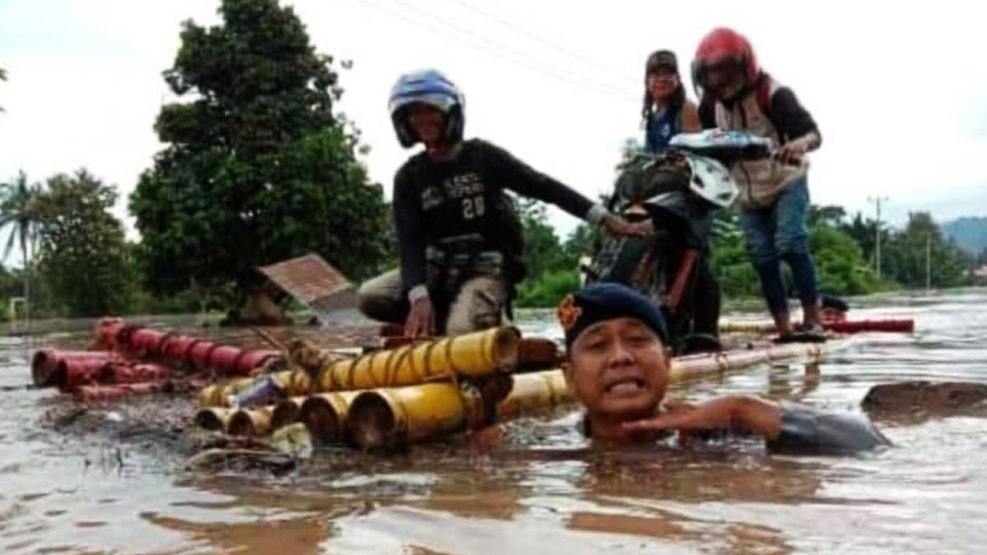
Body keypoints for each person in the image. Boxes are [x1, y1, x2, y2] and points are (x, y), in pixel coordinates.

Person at [358, 69, 641, 337]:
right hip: (437, 268)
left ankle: (486, 318)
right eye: (414, 113)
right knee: (370, 296)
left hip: (485, 267)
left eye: (430, 109)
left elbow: (544, 186)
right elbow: (410, 244)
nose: (422, 119)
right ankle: (438, 314)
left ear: (450, 113)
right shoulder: (408, 177)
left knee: (460, 334)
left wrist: (605, 218)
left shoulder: (482, 157)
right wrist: (418, 296)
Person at [558, 282, 890, 453]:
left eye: (637, 340)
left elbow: (870, 442)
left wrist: (744, 409)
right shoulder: (556, 442)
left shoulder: (720, 430)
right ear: (569, 376)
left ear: (668, 360)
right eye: (598, 346)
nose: (621, 357)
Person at [692, 28, 825, 342]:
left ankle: (812, 319)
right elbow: (711, 146)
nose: (718, 80)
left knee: (791, 243)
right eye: (710, 73)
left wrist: (797, 145)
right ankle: (783, 328)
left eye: (724, 71)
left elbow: (814, 134)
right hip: (748, 193)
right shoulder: (709, 107)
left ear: (743, 66)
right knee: (762, 258)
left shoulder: (775, 95)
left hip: (786, 179)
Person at [641, 50, 701, 154]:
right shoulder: (651, 119)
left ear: (677, 79)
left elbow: (696, 156)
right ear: (647, 81)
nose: (662, 79)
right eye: (656, 74)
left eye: (667, 73)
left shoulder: (687, 109)